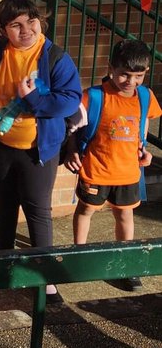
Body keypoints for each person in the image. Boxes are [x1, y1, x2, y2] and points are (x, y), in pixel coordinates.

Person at [0, 0, 82, 303]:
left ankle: (45, 278)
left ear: (40, 21)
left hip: (37, 148)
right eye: (16, 25)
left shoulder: (55, 57)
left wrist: (34, 99)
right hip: (1, 144)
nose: (26, 30)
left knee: (37, 210)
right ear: (2, 29)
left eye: (31, 21)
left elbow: (69, 100)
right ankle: (5, 262)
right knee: (5, 202)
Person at [64, 38, 160, 292]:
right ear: (111, 69)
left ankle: (125, 263)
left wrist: (144, 151)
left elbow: (143, 127)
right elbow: (73, 126)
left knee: (125, 215)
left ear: (146, 72)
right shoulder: (94, 96)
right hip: (96, 169)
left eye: (138, 76)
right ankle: (79, 256)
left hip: (128, 172)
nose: (131, 82)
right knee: (85, 211)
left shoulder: (145, 96)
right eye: (124, 75)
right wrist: (71, 150)